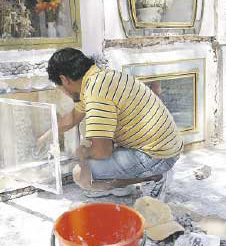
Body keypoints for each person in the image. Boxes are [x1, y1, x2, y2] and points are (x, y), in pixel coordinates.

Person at [41, 47, 183, 200]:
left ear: (64, 80)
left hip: (158, 156)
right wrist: (47, 136)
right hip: (167, 146)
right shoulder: (100, 78)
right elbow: (74, 116)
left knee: (80, 174)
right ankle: (121, 183)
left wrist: (82, 153)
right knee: (93, 147)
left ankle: (155, 177)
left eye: (60, 88)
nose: (64, 92)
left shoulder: (96, 92)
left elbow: (102, 151)